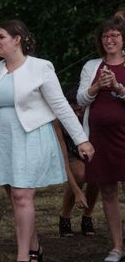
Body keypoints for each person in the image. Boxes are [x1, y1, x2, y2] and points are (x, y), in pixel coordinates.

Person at [0, 20, 94, 262]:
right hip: (2, 140)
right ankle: (35, 247)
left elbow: (61, 106)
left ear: (17, 39)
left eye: (1, 37)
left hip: (30, 137)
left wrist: (81, 139)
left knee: (22, 195)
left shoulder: (40, 67)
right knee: (15, 197)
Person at [76, 16, 125, 262]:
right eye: (105, 36)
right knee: (107, 191)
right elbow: (81, 99)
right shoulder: (92, 66)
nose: (109, 40)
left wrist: (118, 88)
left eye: (115, 35)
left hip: (123, 136)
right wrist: (96, 86)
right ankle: (117, 246)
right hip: (100, 138)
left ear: (123, 38)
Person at [54, 85, 98, 237]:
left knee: (96, 178)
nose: (78, 115)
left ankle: (87, 216)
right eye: (74, 112)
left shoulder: (91, 115)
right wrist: (76, 191)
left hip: (89, 148)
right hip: (70, 150)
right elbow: (64, 157)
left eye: (81, 111)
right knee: (80, 175)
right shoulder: (58, 121)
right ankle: (65, 216)